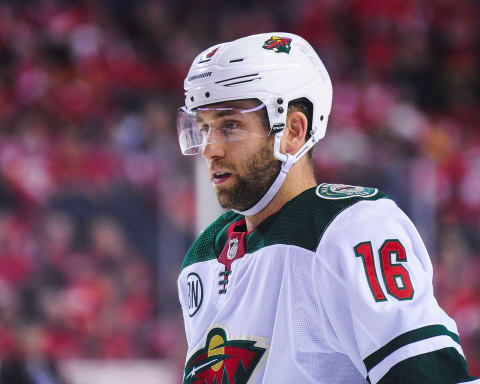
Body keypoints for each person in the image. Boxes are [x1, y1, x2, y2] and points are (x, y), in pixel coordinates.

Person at [176, 33, 479, 384]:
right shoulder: (202, 258)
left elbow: (430, 377)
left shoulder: (352, 228)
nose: (209, 149)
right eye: (203, 128)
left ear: (292, 130)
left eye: (229, 126)